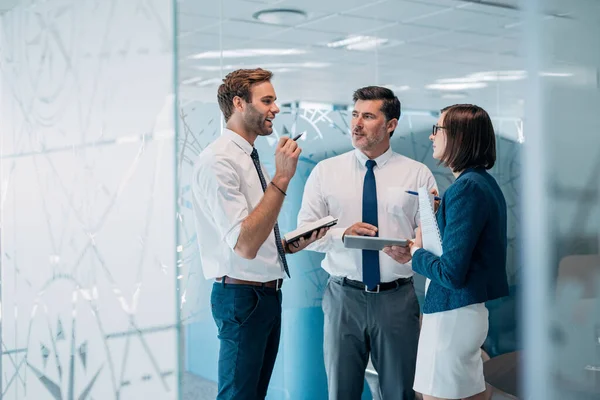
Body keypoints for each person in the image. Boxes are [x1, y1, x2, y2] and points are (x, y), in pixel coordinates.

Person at [191, 68, 327, 400]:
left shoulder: (250, 158)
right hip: (242, 299)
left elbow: (257, 235)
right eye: (267, 100)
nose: (275, 108)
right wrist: (282, 179)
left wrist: (291, 243)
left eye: (275, 100)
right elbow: (245, 244)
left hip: (265, 296)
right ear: (239, 103)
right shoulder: (218, 161)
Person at [297, 86, 437, 400]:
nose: (357, 124)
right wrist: (342, 235)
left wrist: (414, 249)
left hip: (397, 299)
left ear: (391, 124)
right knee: (341, 392)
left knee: (399, 392)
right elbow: (304, 234)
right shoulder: (325, 172)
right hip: (343, 298)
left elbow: (431, 233)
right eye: (355, 115)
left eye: (369, 116)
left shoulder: (418, 175)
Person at [394, 104, 509, 400]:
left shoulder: (466, 188)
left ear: (459, 136)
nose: (432, 137)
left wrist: (417, 251)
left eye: (438, 129)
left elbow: (451, 272)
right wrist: (442, 213)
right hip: (462, 313)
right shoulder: (481, 183)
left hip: (451, 314)